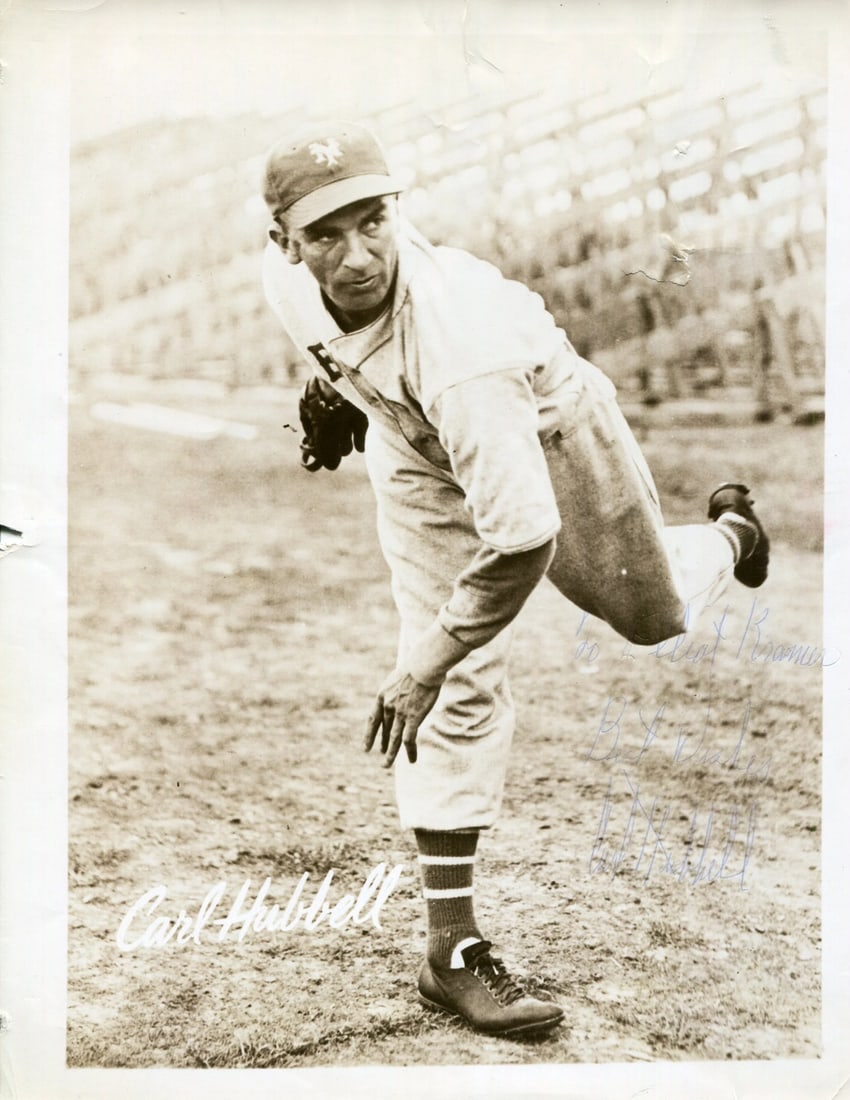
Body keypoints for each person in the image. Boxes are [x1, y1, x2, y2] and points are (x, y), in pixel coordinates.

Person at [261, 121, 769, 1038]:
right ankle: (450, 951)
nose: (355, 254)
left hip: (545, 428)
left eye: (372, 221)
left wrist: (426, 660)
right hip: (415, 443)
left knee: (651, 618)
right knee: (455, 680)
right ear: (283, 243)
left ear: (396, 213)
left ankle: (729, 535)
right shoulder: (284, 284)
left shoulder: (463, 346)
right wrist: (334, 388)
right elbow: (340, 333)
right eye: (324, 235)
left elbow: (523, 537)